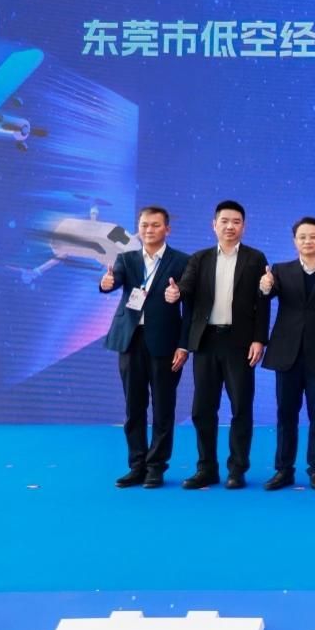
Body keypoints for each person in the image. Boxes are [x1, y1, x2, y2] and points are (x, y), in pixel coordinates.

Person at [165, 200, 269, 490]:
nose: (230, 226)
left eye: (236, 221)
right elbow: (186, 288)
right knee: (202, 409)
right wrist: (176, 292)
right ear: (214, 225)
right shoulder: (200, 258)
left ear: (244, 226)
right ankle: (206, 468)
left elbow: (262, 303)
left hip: (240, 343)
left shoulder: (255, 258)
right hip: (207, 341)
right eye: (224, 221)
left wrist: (259, 339)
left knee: (241, 408)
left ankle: (237, 470)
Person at [99, 206, 190, 489]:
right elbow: (114, 281)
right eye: (144, 225)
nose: (149, 230)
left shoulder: (182, 261)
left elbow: (191, 305)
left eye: (155, 225)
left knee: (163, 407)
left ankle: (156, 467)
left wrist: (184, 344)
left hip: (165, 342)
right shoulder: (126, 259)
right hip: (130, 341)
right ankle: (137, 465)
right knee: (134, 407)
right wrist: (106, 283)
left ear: (167, 229)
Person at [258, 216, 315, 491]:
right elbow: (267, 295)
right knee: (286, 414)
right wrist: (265, 287)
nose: (307, 241)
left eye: (313, 236)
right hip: (286, 353)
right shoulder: (280, 270)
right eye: (302, 237)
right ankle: (283, 469)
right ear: (294, 241)